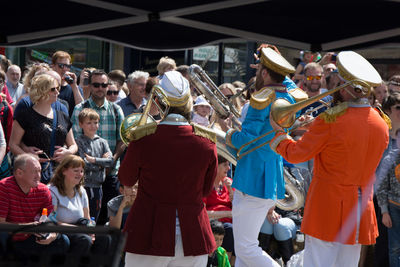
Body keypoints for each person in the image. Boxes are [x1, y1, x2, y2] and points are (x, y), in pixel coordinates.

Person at [270, 51, 389, 266]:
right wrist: (312, 127)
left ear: (344, 86)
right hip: (360, 210)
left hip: (327, 207)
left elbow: (296, 153)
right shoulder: (381, 123)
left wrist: (279, 135)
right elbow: (352, 142)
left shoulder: (331, 120)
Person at [119, 70, 218, 267]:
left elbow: (126, 179)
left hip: (148, 232)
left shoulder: (143, 138)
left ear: (159, 100)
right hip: (193, 235)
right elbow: (206, 190)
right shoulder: (207, 141)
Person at [224, 45, 302, 267]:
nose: (256, 72)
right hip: (268, 180)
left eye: (260, 69)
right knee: (243, 252)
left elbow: (246, 138)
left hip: (252, 180)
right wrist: (270, 63)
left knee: (246, 248)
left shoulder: (263, 97)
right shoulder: (287, 94)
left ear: (265, 72)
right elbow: (289, 83)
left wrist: (228, 134)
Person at [71, 69, 125, 225]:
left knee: (110, 218)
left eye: (104, 84)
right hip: (85, 176)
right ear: (90, 85)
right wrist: (100, 163)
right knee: (85, 218)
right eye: (96, 85)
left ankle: (106, 249)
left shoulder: (116, 109)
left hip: (111, 172)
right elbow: (75, 142)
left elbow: (122, 141)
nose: (100, 88)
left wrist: (111, 162)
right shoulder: (80, 109)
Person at [10, 73, 77, 184]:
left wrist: (68, 152)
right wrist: (28, 157)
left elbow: (73, 144)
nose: (57, 92)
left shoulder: (62, 115)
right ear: (42, 91)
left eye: (58, 88)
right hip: (32, 174)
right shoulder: (25, 115)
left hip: (59, 174)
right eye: (53, 89)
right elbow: (13, 144)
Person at [0, 154, 69, 259]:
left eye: (40, 171)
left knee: (62, 240)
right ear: (19, 173)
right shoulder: (4, 187)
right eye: (34, 171)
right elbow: (2, 225)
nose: (39, 176)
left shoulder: (43, 190)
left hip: (32, 238)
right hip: (11, 239)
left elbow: (51, 221)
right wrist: (29, 227)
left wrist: (52, 235)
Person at [48, 154, 110, 257]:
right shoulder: (52, 191)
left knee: (105, 237)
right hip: (61, 231)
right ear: (63, 171)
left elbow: (87, 218)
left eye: (81, 171)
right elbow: (52, 220)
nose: (80, 174)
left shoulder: (81, 190)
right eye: (76, 171)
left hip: (80, 229)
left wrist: (91, 231)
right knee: (84, 240)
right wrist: (77, 229)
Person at [75, 108, 113, 221]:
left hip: (98, 186)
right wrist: (101, 163)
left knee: (94, 217)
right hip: (84, 186)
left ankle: (92, 237)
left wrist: (94, 160)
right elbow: (83, 163)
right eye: (89, 123)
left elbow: (110, 161)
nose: (93, 126)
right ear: (81, 124)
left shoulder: (102, 142)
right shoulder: (79, 142)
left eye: (95, 122)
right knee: (83, 217)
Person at [203, 155, 235, 265]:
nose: (229, 168)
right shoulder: (206, 185)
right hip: (212, 223)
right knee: (229, 229)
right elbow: (202, 213)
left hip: (231, 222)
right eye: (225, 164)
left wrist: (231, 191)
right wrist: (228, 213)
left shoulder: (229, 182)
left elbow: (238, 209)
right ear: (216, 167)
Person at [376, 128, 400, 267]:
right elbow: (381, 187)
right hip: (394, 207)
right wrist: (384, 211)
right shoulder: (389, 159)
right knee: (395, 248)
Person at [51, 50, 84, 117]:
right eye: (61, 65)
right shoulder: (47, 87)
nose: (65, 69)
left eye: (68, 66)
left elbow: (82, 111)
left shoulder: (74, 88)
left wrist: (74, 86)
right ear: (53, 66)